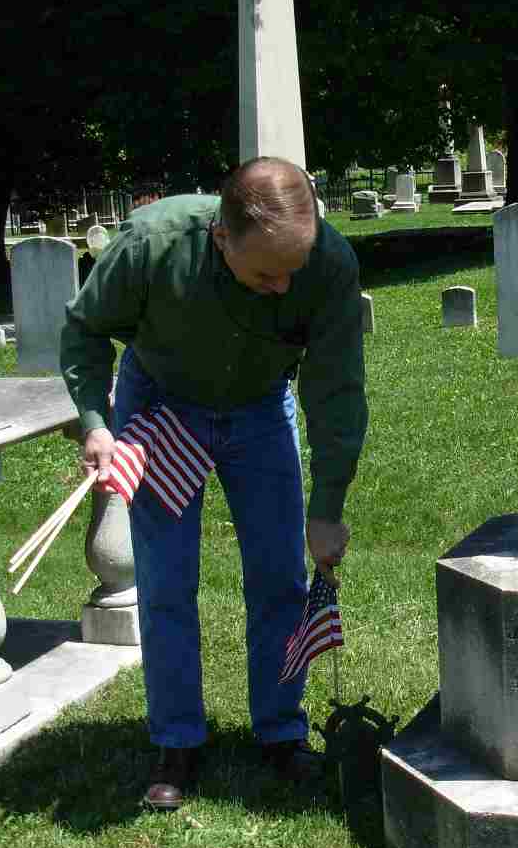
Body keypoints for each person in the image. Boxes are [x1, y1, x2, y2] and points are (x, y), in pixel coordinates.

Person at [59, 156, 368, 810]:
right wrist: (96, 424)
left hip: (259, 409)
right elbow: (84, 329)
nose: (286, 287)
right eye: (267, 274)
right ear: (221, 238)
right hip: (161, 403)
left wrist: (329, 506)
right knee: (167, 581)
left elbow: (336, 391)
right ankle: (178, 740)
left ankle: (281, 732)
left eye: (294, 270)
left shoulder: (328, 265)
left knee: (280, 575)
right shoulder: (151, 244)